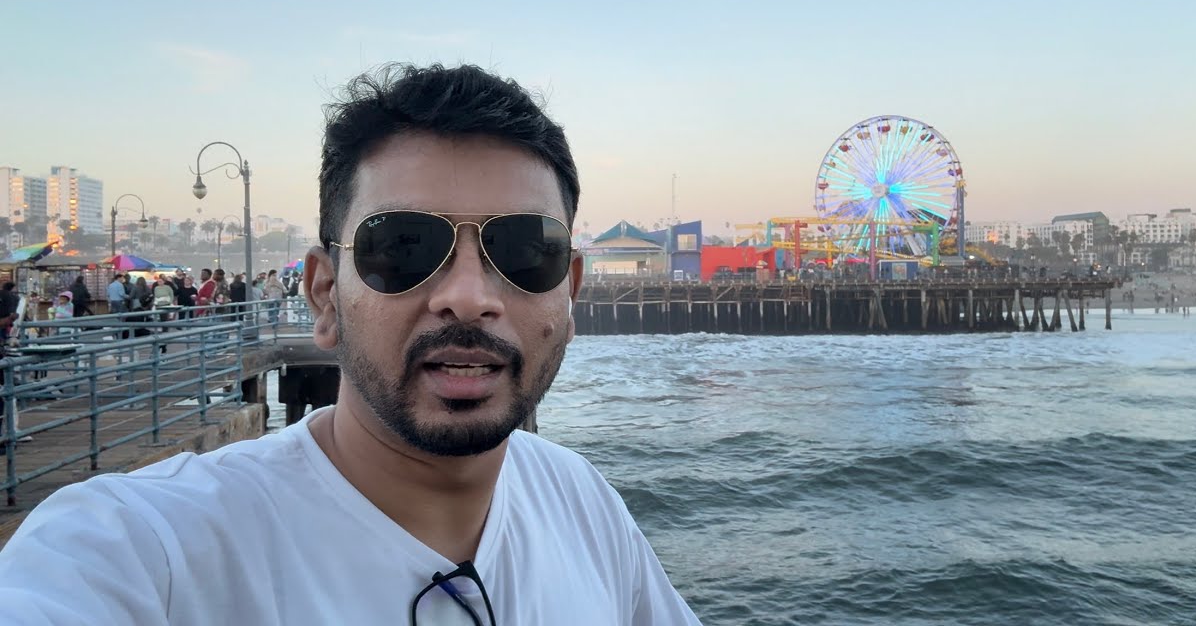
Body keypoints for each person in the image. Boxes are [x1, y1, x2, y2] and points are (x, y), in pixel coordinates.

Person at [0, 63, 701, 624]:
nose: (470, 294)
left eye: (524, 250)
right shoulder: (143, 551)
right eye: (402, 246)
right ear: (325, 293)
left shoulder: (581, 503)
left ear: (569, 294)